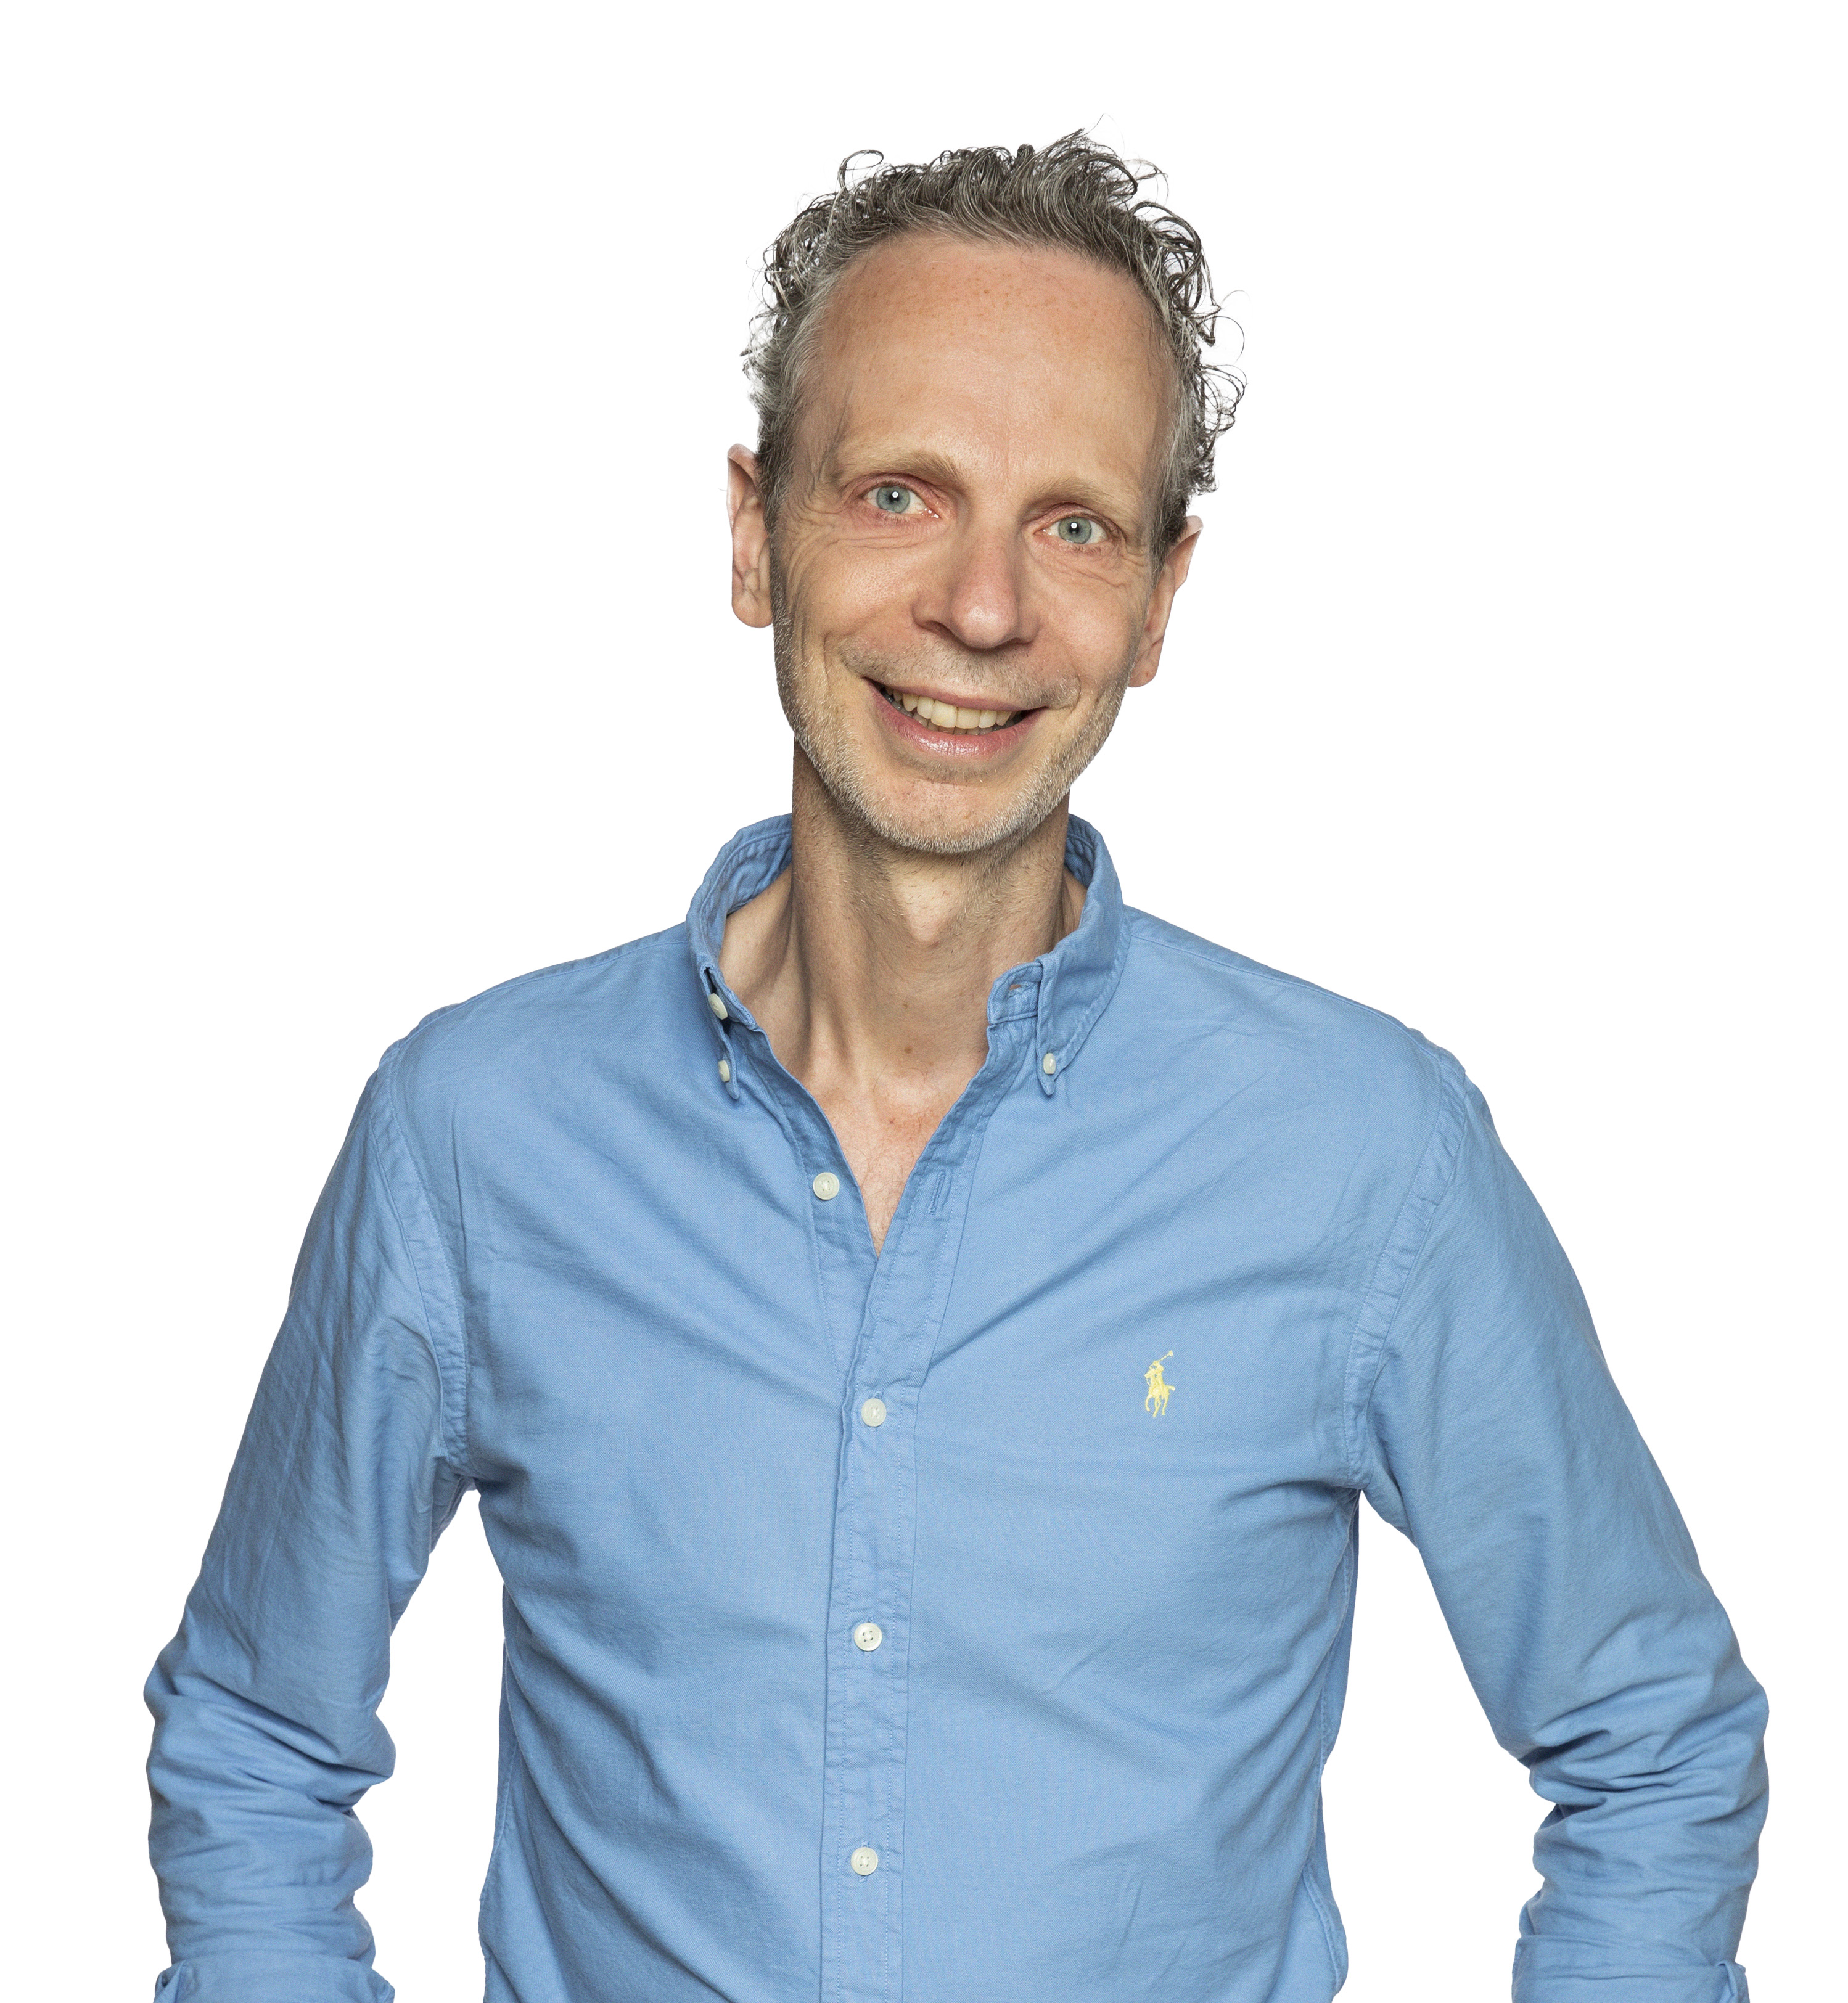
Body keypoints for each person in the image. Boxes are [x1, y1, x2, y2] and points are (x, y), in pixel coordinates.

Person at [146, 135, 1767, 2003]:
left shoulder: (1366, 1156)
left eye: (1074, 524)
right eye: (901, 493)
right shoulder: (471, 1136)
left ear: (1160, 599)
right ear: (754, 534)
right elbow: (257, 1733)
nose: (983, 608)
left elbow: (1652, 1739)